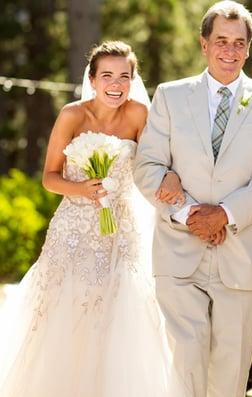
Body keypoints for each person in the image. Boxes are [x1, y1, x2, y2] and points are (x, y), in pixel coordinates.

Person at [0, 41, 187, 396]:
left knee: (124, 309)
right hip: (75, 228)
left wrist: (172, 176)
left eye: (124, 76)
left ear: (133, 79)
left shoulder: (138, 115)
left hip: (123, 229)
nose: (115, 84)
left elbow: (154, 165)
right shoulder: (72, 114)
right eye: (107, 76)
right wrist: (83, 189)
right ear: (92, 78)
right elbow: (50, 177)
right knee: (67, 310)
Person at [133, 1, 252, 396]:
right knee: (186, 358)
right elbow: (147, 166)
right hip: (177, 253)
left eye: (239, 43)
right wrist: (190, 215)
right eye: (221, 40)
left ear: (248, 49)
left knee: (230, 372)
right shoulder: (170, 96)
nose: (230, 51)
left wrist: (225, 214)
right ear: (204, 44)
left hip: (240, 254)